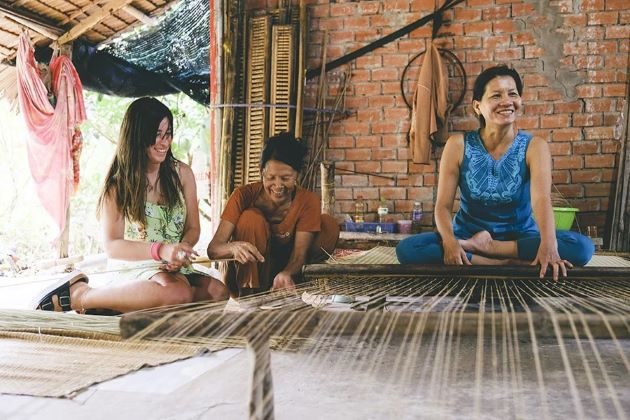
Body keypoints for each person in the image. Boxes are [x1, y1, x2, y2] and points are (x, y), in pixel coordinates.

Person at [396, 65, 594, 280]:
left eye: (513, 94)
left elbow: (541, 200)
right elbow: (442, 207)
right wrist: (451, 242)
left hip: (519, 239)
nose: (507, 101)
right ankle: (503, 263)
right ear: (478, 106)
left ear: (520, 101)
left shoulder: (535, 146)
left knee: (582, 248)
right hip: (467, 235)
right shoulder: (458, 145)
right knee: (408, 249)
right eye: (496, 95)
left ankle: (489, 251)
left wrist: (548, 245)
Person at [35, 97, 229, 313]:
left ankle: (125, 306)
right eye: (156, 135)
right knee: (179, 294)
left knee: (217, 293)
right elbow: (112, 246)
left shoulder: (182, 174)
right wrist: (161, 250)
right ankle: (82, 295)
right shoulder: (119, 185)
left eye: (168, 134)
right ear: (138, 136)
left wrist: (181, 251)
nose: (164, 143)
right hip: (136, 265)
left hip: (174, 265)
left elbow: (193, 228)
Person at [207, 132, 339, 296]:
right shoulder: (243, 196)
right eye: (270, 177)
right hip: (246, 278)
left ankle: (297, 287)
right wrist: (233, 248)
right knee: (250, 218)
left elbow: (299, 255)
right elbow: (213, 250)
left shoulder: (307, 200)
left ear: (298, 174)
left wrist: (287, 273)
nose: (278, 185)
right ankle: (249, 296)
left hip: (283, 278)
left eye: (286, 178)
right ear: (261, 172)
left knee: (328, 225)